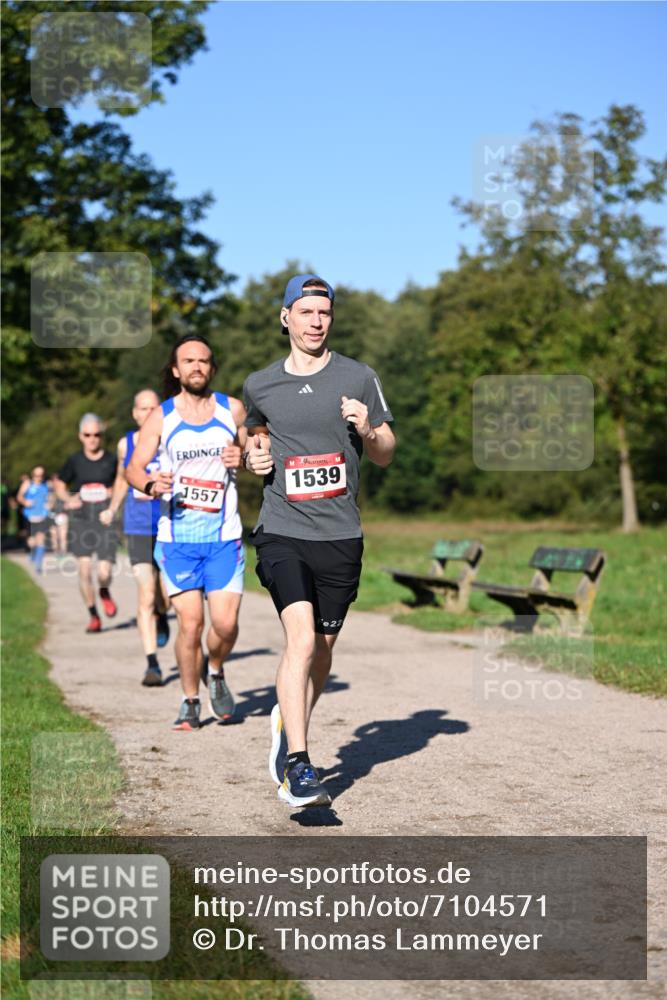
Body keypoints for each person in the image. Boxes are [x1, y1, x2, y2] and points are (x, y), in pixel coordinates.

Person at [243, 274, 395, 808]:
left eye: (323, 313)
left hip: (341, 535)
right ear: (285, 316)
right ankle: (299, 765)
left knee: (322, 651)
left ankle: (291, 718)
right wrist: (253, 456)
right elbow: (255, 435)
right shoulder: (260, 384)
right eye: (305, 312)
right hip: (282, 530)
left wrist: (369, 428)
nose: (315, 321)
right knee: (301, 639)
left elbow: (385, 451)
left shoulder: (358, 376)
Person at [126, 334, 246, 730]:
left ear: (212, 367)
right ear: (176, 370)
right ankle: (190, 699)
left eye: (204, 360)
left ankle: (216, 669)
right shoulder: (162, 417)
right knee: (190, 624)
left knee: (225, 626)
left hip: (224, 536)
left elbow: (257, 453)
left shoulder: (233, 410)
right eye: (189, 361)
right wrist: (149, 484)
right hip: (178, 540)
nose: (197, 367)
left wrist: (242, 457)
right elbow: (134, 466)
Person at [100, 389, 171, 687]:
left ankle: (162, 613)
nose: (147, 413)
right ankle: (152, 663)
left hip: (170, 525)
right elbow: (121, 477)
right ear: (134, 413)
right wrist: (112, 508)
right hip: (138, 525)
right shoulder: (124, 443)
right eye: (142, 408)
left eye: (153, 408)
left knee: (166, 595)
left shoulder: (171, 440)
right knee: (145, 592)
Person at [54, 414, 118, 633]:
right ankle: (93, 616)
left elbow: (122, 484)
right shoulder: (74, 461)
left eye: (96, 434)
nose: (92, 439)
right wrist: (67, 499)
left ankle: (104, 591)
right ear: (81, 436)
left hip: (104, 522)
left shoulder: (111, 460)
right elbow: (60, 484)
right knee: (83, 572)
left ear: (101, 435)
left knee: (104, 573)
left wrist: (113, 494)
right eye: (88, 435)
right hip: (81, 521)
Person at [17, 466, 50, 574]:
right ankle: (32, 553)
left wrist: (49, 504)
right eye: (36, 475)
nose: (38, 478)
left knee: (41, 540)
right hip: (29, 516)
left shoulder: (46, 485)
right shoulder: (28, 484)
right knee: (32, 541)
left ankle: (38, 565)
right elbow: (19, 496)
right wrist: (25, 502)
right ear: (33, 475)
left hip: (42, 515)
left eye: (41, 475)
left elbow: (51, 497)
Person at [47, 473, 68, 559]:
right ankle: (56, 551)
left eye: (57, 480)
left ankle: (63, 552)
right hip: (52, 515)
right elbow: (48, 505)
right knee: (54, 535)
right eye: (54, 480)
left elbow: (68, 502)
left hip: (61, 515)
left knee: (62, 535)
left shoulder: (64, 491)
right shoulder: (49, 492)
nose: (55, 482)